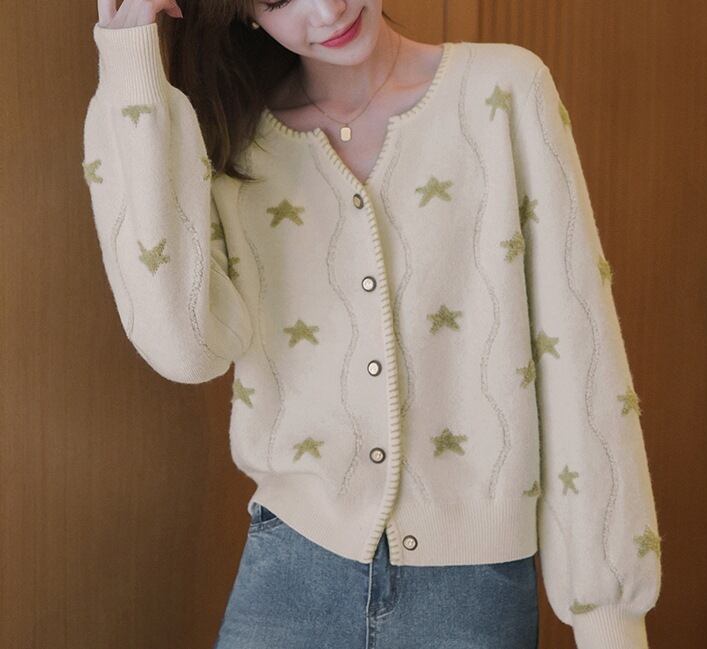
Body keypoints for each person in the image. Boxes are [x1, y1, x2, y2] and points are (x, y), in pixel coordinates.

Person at [82, 1, 663, 647]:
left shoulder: (502, 91)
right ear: (244, 13)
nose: (328, 9)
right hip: (290, 573)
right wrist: (128, 58)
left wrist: (610, 620)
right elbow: (186, 350)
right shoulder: (234, 141)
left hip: (470, 593)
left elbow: (579, 352)